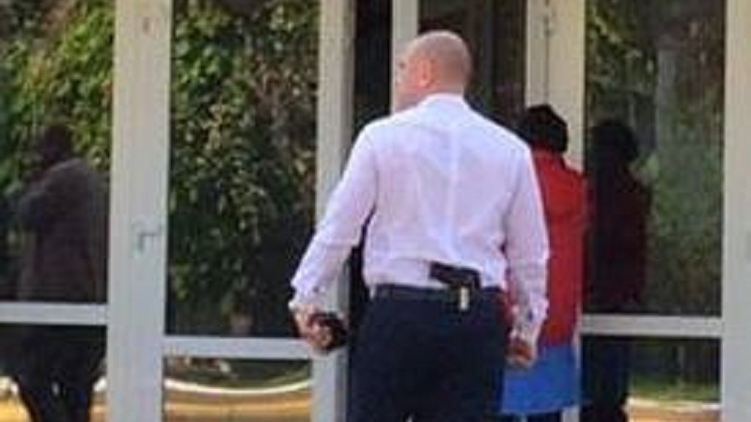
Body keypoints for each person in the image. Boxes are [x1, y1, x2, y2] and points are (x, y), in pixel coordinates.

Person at [288, 30, 549, 422]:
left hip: (400, 311)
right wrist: (528, 326)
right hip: (475, 318)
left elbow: (340, 226)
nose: (397, 81)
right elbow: (529, 251)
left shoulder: (381, 137)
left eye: (402, 69)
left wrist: (306, 296)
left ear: (424, 72)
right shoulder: (510, 150)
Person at [12, 124, 107, 422]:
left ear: (54, 148)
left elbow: (25, 214)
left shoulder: (62, 178)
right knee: (75, 389)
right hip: (88, 299)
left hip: (58, 302)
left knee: (31, 378)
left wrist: (29, 183)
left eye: (39, 149)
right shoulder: (91, 179)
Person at [498, 105, 587, 422]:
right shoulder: (578, 189)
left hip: (513, 312)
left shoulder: (510, 186)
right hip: (560, 315)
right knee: (548, 412)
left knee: (501, 406)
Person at [581, 120, 650, 422]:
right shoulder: (633, 194)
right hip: (615, 294)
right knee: (608, 386)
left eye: (598, 149)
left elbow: (613, 243)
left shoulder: (609, 195)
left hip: (606, 294)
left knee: (600, 388)